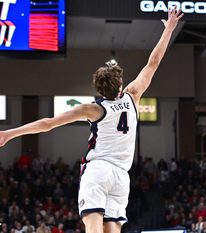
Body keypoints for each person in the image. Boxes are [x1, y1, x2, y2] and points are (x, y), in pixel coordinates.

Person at [0, 8, 183, 233]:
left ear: (98, 89)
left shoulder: (93, 109)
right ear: (120, 82)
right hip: (121, 175)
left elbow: (48, 123)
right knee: (113, 227)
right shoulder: (133, 95)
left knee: (92, 224)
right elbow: (153, 62)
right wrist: (169, 30)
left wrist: (10, 133)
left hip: (98, 170)